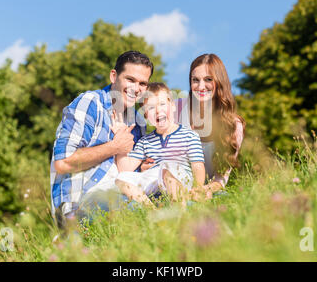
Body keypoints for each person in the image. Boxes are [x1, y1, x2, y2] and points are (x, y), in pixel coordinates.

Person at [50, 50, 153, 227]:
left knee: (181, 208)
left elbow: (127, 174)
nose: (136, 89)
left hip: (122, 193)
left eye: (142, 83)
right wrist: (114, 147)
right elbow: (63, 163)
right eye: (130, 79)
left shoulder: (139, 122)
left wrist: (142, 167)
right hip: (80, 201)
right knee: (136, 213)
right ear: (114, 76)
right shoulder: (90, 103)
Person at [143, 54, 245, 201]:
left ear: (219, 81)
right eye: (195, 80)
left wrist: (201, 190)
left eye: (208, 79)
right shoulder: (176, 108)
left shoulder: (233, 126)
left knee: (225, 200)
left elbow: (220, 179)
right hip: (167, 188)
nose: (201, 86)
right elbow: (156, 143)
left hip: (205, 191)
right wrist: (147, 166)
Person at [113, 82, 206, 206]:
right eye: (150, 108)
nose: (157, 110)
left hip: (180, 180)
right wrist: (120, 138)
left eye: (162, 104)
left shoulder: (189, 135)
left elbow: (197, 166)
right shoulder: (145, 142)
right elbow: (125, 168)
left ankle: (178, 206)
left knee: (166, 169)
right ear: (146, 115)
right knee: (121, 179)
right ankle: (149, 209)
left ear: (172, 106)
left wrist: (198, 188)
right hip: (154, 181)